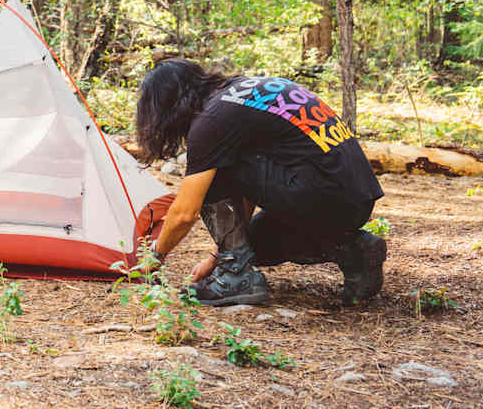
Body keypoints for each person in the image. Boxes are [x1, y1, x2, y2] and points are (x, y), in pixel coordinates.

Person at [136, 58, 386, 306]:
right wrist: (219, 257)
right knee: (256, 245)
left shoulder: (212, 119)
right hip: (354, 200)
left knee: (213, 165)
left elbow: (184, 212)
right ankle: (355, 250)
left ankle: (237, 277)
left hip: (323, 194)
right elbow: (249, 187)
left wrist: (155, 257)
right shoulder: (241, 93)